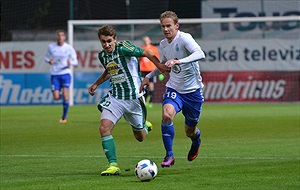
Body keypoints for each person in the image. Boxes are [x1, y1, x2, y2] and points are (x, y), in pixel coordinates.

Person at [88, 25, 169, 176]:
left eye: (109, 41)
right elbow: (110, 70)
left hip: (134, 99)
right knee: (104, 128)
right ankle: (113, 165)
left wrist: (159, 66)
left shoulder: (124, 48)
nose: (106, 45)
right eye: (103, 42)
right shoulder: (102, 56)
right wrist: (96, 84)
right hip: (116, 98)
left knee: (140, 137)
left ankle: (144, 126)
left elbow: (147, 52)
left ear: (115, 39)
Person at [140, 11, 206, 167]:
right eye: (163, 26)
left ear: (176, 26)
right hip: (174, 88)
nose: (166, 29)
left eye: (169, 26)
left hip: (192, 92)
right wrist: (148, 76)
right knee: (166, 115)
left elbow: (200, 53)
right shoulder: (163, 44)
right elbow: (162, 65)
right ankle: (169, 155)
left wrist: (179, 61)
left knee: (189, 131)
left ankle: (196, 139)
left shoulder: (184, 38)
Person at [44, 30, 78, 123]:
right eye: (59, 35)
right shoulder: (51, 47)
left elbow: (76, 62)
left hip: (66, 73)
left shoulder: (69, 48)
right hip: (55, 74)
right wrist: (49, 61)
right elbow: (46, 58)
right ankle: (65, 99)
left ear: (64, 37)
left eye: (62, 35)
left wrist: (70, 62)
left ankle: (64, 117)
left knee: (65, 94)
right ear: (57, 37)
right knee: (56, 97)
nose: (60, 37)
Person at [139, 36, 160, 108]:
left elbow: (157, 59)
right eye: (144, 40)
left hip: (151, 70)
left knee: (151, 85)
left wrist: (159, 70)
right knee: (144, 85)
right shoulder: (141, 48)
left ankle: (150, 101)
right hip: (143, 69)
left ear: (149, 40)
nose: (146, 41)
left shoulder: (154, 49)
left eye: (147, 40)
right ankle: (144, 100)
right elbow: (139, 59)